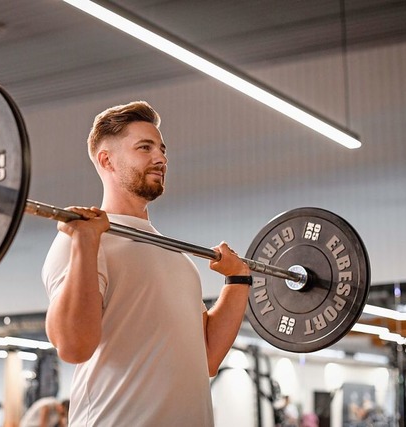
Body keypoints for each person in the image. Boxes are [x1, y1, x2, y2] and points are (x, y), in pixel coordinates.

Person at [42, 101, 251, 426]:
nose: (161, 158)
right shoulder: (82, 237)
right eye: (145, 147)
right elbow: (73, 347)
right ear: (106, 159)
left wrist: (238, 281)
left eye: (162, 149)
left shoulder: (176, 257)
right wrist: (85, 242)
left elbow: (206, 358)